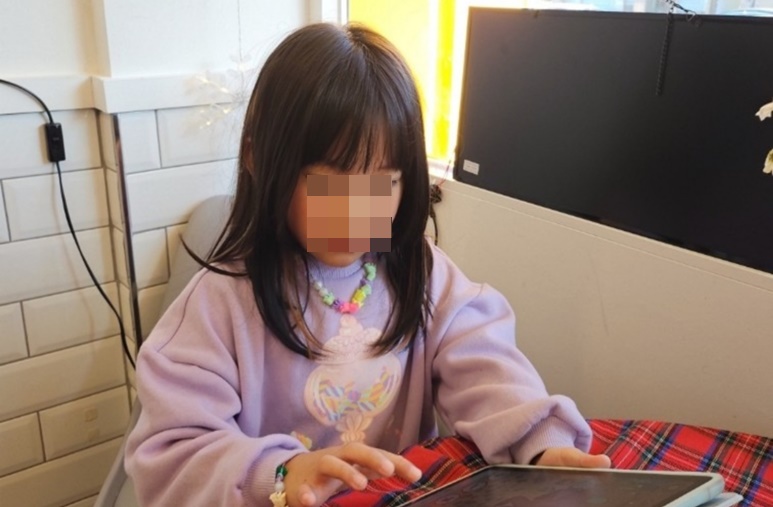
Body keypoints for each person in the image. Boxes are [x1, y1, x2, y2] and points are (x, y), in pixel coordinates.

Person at [125, 22, 610, 507]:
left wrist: (539, 443)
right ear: (258, 157)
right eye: (331, 182)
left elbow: (485, 364)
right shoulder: (220, 302)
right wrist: (280, 474)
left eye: (384, 182)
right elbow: (174, 451)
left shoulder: (420, 272)